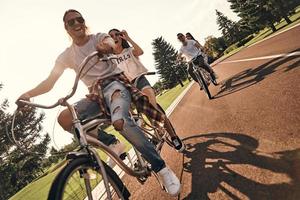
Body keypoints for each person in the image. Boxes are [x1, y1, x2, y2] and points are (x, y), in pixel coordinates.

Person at [16, 9, 181, 196]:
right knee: (65, 119)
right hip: (95, 95)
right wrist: (28, 94)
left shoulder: (97, 38)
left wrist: (106, 47)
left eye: (80, 19)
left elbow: (110, 43)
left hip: (115, 85)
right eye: (71, 22)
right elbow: (49, 82)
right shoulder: (67, 55)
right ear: (66, 28)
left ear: (84, 22)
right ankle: (111, 144)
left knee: (120, 120)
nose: (77, 23)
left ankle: (161, 168)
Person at [108, 28, 185, 152]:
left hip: (140, 80)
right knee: (131, 115)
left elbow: (140, 51)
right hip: (128, 87)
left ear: (121, 37)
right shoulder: (111, 59)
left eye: (117, 34)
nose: (114, 37)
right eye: (111, 36)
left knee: (152, 107)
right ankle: (150, 132)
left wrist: (128, 38)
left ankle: (173, 136)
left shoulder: (129, 50)